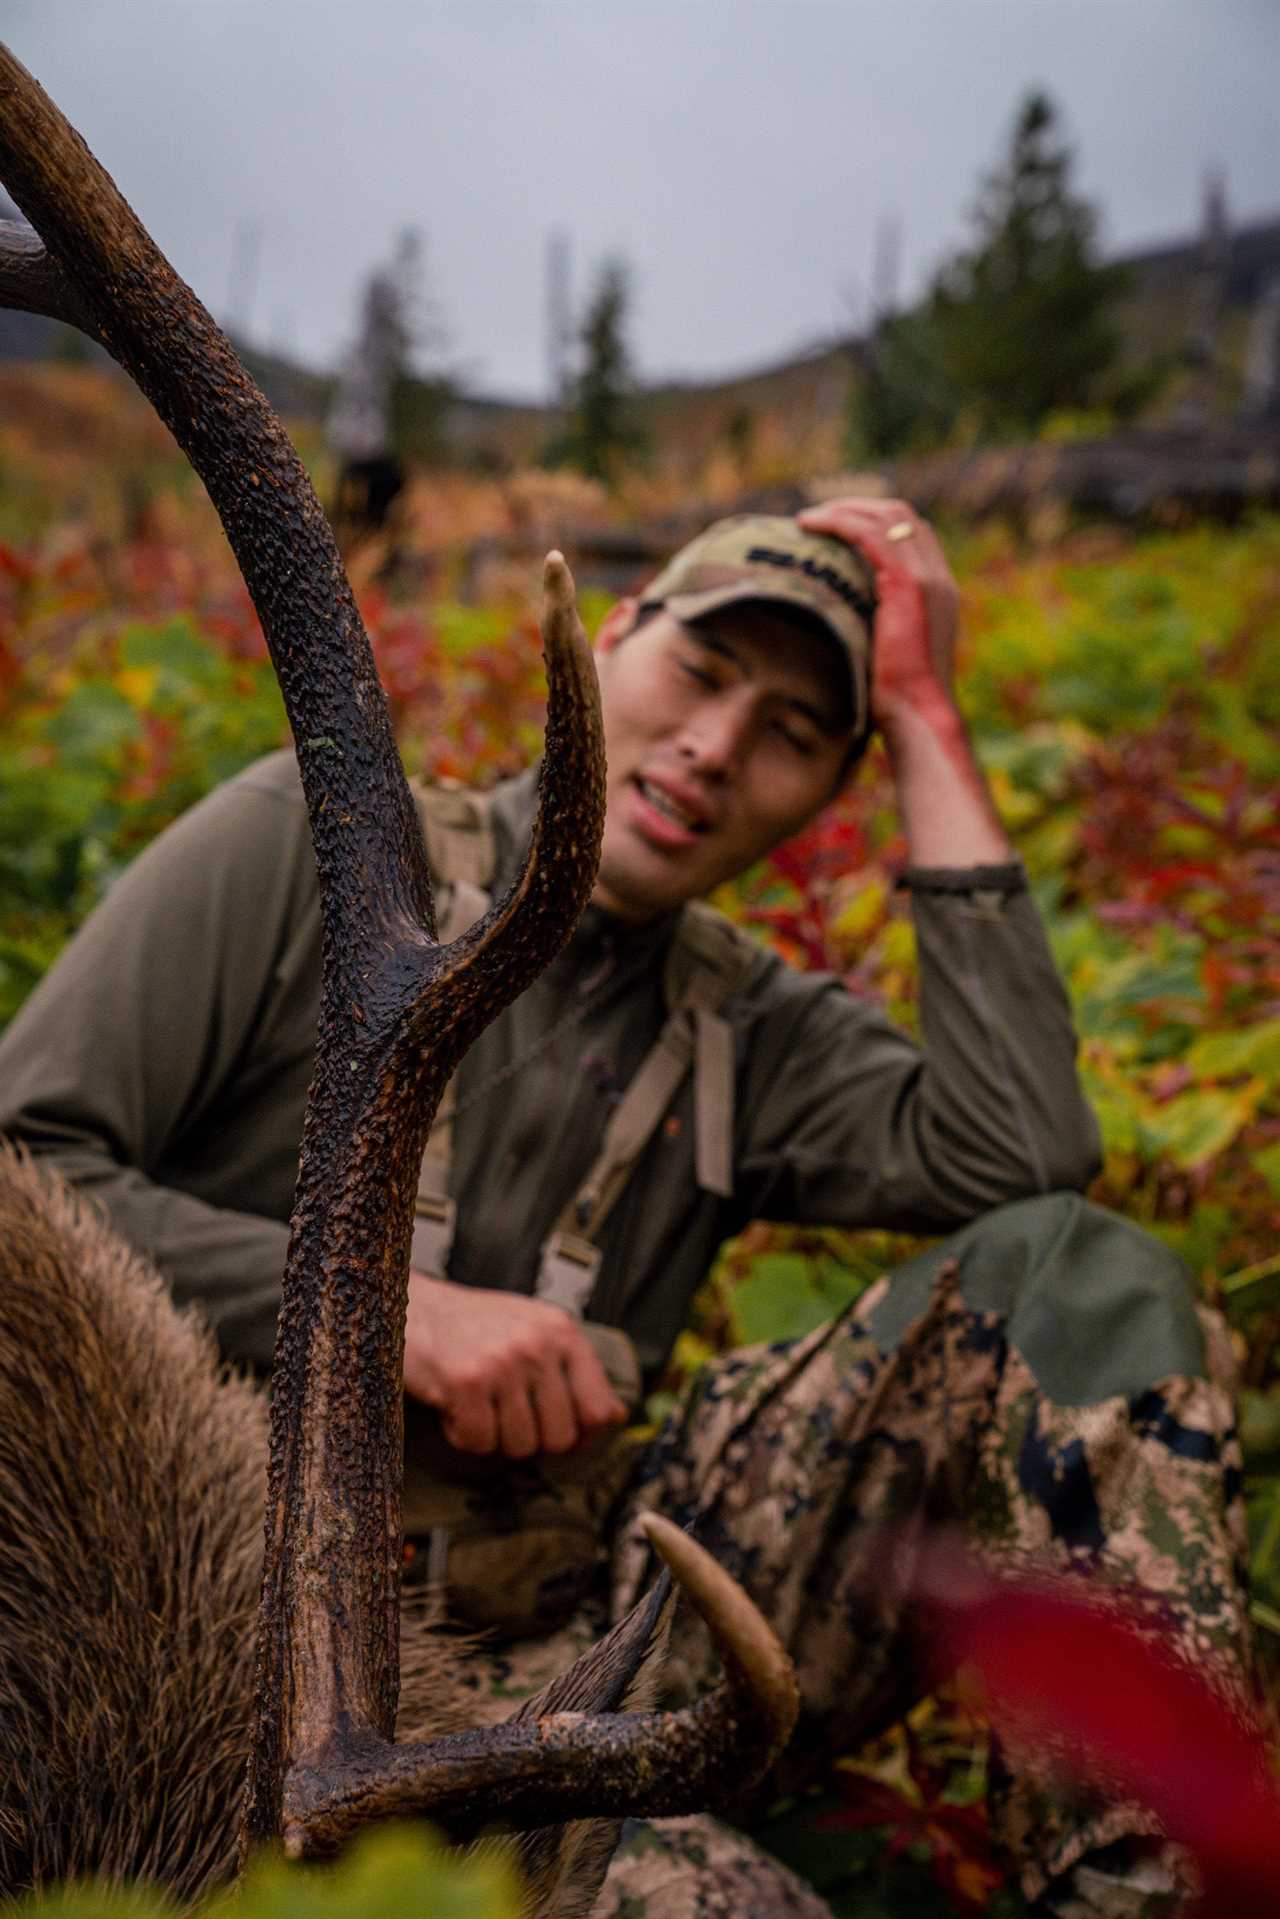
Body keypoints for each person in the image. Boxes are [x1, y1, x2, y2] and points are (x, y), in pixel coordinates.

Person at [0, 499, 1248, 1917]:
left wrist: (926, 716)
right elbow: (18, 1167)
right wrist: (393, 1319)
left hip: (577, 1647)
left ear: (827, 793)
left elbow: (1025, 1152)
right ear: (608, 634)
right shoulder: (315, 850)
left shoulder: (752, 1029)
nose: (716, 750)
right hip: (201, 1638)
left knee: (1079, 1278)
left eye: (793, 734)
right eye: (702, 675)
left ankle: (1162, 1891)